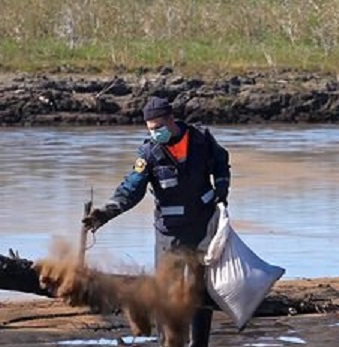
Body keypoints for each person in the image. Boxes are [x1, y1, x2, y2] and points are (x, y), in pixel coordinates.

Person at [82, 96, 231, 347]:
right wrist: (105, 213)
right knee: (167, 290)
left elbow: (221, 162)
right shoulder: (149, 153)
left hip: (203, 227)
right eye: (150, 129)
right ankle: (169, 342)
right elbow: (131, 189)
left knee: (198, 289)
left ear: (171, 120)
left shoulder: (201, 139)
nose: (155, 133)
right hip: (168, 233)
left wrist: (222, 187)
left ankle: (199, 343)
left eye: (158, 127)